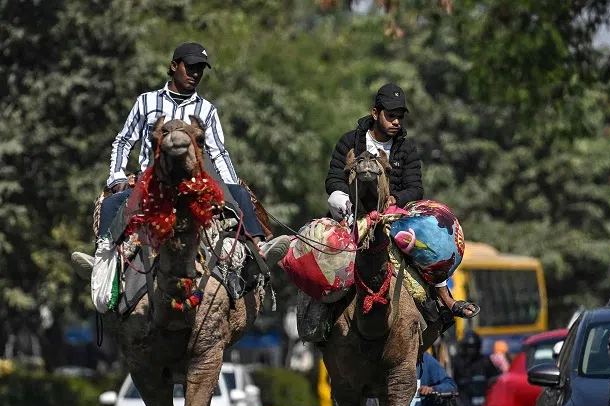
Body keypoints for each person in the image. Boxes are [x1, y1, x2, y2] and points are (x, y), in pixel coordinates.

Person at [74, 42, 289, 310]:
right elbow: (124, 140)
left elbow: (218, 152)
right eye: (191, 67)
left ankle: (259, 250)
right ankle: (102, 262)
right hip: (152, 182)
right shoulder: (146, 101)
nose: (195, 74)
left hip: (195, 184)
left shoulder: (207, 110)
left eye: (200, 69)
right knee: (111, 205)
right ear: (175, 66)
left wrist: (231, 184)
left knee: (241, 195)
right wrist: (116, 177)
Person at [324, 83, 479, 320]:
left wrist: (395, 199)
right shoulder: (350, 142)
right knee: (320, 244)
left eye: (399, 117)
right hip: (352, 212)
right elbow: (334, 178)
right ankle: (318, 313)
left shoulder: (407, 149)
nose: (396, 122)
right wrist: (347, 202)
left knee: (431, 233)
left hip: (393, 217)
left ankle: (444, 299)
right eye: (390, 116)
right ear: (375, 113)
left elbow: (416, 188)